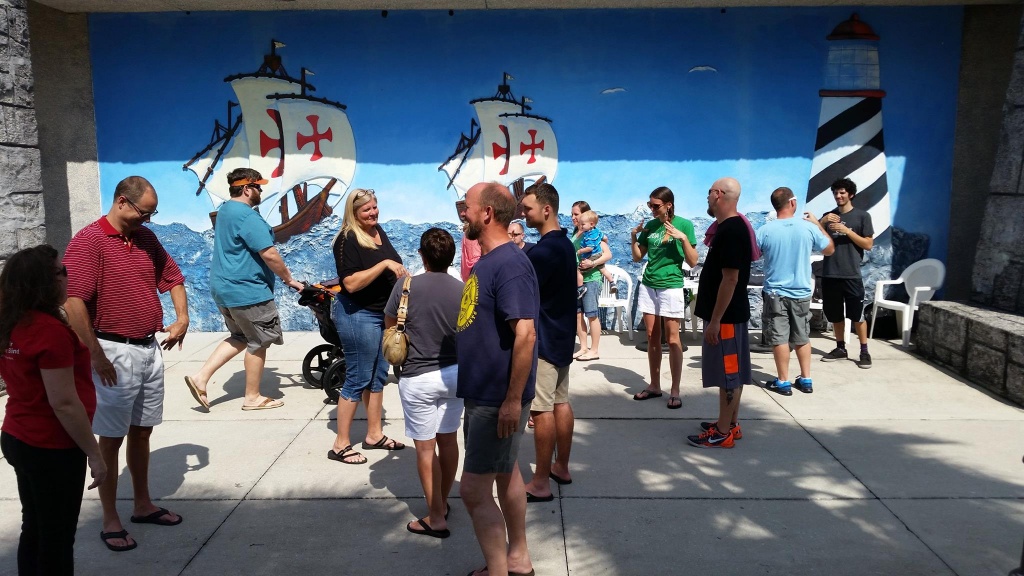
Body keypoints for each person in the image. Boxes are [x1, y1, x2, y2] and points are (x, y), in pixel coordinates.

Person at [63, 175, 189, 551]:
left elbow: (173, 277)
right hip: (112, 351)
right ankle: (110, 518)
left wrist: (181, 317)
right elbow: (73, 302)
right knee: (111, 438)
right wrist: (96, 355)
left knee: (143, 429)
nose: (147, 221)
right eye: (143, 214)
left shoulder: (146, 238)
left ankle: (142, 504)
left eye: (151, 215)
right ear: (121, 202)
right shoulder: (88, 242)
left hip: (149, 347)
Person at [1, 245, 107, 574]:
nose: (67, 278)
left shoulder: (13, 324)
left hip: (19, 436)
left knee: (34, 527)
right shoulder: (50, 332)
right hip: (52, 447)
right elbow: (63, 402)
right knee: (57, 539)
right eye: (62, 273)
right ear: (44, 283)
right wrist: (94, 453)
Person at [457, 181, 537, 576]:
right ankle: (518, 560)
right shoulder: (489, 261)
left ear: (486, 213)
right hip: (484, 395)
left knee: (472, 491)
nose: (463, 213)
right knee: (507, 473)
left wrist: (511, 400)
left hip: (496, 399)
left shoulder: (510, 264)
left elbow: (526, 333)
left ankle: (498, 571)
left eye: (467, 206)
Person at [185, 168, 304, 411]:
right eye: (258, 186)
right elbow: (269, 253)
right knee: (259, 341)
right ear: (247, 188)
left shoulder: (226, 210)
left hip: (224, 289)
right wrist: (289, 279)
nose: (261, 190)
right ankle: (252, 398)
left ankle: (201, 378)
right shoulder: (248, 217)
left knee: (241, 336)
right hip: (248, 291)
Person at [385, 228, 464, 539]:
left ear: (421, 255)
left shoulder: (406, 286)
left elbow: (390, 326)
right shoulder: (462, 289)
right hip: (455, 375)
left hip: (417, 376)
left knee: (424, 448)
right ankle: (442, 503)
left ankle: (435, 516)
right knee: (448, 441)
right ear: (451, 257)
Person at [327, 188, 407, 465]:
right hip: (357, 314)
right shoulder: (347, 239)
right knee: (358, 378)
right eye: (366, 210)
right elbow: (349, 283)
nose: (373, 213)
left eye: (374, 207)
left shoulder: (377, 231)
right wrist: (385, 264)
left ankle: (374, 435)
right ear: (353, 213)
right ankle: (340, 444)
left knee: (377, 376)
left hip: (381, 313)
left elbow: (393, 264)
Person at [520, 182, 577, 502]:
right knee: (560, 403)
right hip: (563, 337)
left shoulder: (542, 251)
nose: (524, 214)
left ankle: (541, 482)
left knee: (541, 411)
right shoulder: (565, 245)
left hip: (544, 340)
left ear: (546, 209)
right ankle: (562, 467)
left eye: (528, 209)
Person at [687, 177, 752, 449]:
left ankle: (721, 434)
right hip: (726, 316)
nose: (706, 200)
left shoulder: (732, 230)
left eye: (708, 194)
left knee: (728, 375)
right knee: (732, 373)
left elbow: (730, 279)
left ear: (717, 194)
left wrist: (715, 321)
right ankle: (729, 424)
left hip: (725, 318)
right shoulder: (729, 228)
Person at [756, 187, 834, 395]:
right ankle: (806, 378)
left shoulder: (764, 231)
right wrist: (818, 224)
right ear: (792, 203)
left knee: (779, 336)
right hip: (801, 292)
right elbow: (829, 249)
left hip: (775, 292)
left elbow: (752, 256)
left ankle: (783, 381)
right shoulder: (807, 228)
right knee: (802, 335)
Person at [630, 186, 698, 410]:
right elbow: (638, 257)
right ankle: (654, 385)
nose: (651, 209)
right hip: (649, 285)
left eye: (655, 206)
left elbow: (693, 261)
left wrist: (683, 239)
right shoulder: (650, 226)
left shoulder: (684, 224)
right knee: (652, 336)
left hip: (671, 285)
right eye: (650, 205)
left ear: (668, 205)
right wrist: (633, 237)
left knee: (673, 339)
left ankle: (675, 390)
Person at [819, 177, 875, 368]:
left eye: (842, 192)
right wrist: (823, 221)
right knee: (835, 315)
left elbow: (868, 244)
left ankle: (864, 351)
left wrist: (846, 231)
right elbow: (815, 237)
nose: (838, 196)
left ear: (850, 194)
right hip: (830, 274)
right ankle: (840, 347)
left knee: (857, 315)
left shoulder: (862, 216)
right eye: (835, 193)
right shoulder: (829, 216)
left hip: (851, 274)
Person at [570, 201, 612, 362]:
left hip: (591, 279)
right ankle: (583, 347)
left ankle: (594, 350)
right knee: (578, 314)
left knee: (592, 314)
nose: (573, 217)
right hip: (577, 279)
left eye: (576, 214)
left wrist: (592, 263)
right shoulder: (577, 233)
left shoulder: (593, 233)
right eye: (572, 214)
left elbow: (608, 254)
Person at [575, 210, 614, 297]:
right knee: (603, 269)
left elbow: (592, 248)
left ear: (591, 224)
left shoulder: (589, 236)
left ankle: (580, 289)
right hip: (596, 255)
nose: (573, 217)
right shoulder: (596, 231)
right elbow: (605, 237)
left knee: (578, 271)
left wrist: (581, 252)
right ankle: (612, 282)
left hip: (591, 276)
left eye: (576, 214)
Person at [458, 199, 482, 281]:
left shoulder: (469, 233)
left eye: (466, 209)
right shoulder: (472, 233)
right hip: (476, 277)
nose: (462, 213)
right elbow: (475, 259)